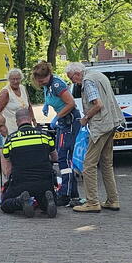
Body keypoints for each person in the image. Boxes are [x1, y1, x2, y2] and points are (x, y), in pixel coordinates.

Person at [65, 62, 123, 213]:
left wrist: (86, 118)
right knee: (106, 163)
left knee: (88, 164)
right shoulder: (98, 75)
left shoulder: (87, 81)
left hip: (101, 125)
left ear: (77, 74)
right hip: (112, 122)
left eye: (72, 79)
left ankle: (92, 202)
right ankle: (113, 199)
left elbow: (98, 104)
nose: (74, 83)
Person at [32, 61, 80, 207]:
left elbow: (71, 103)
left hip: (69, 121)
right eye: (38, 80)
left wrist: (57, 117)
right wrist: (47, 104)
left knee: (63, 157)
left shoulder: (57, 85)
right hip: (63, 123)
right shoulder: (48, 85)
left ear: (49, 75)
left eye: (42, 80)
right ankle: (72, 193)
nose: (40, 82)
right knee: (62, 156)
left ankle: (65, 193)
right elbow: (53, 98)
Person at [0, 108, 58, 218]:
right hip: (44, 181)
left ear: (17, 122)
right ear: (30, 119)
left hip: (21, 182)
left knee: (5, 204)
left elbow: (7, 163)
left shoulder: (11, 140)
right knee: (45, 200)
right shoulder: (44, 135)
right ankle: (47, 200)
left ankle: (20, 201)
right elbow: (55, 157)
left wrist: (9, 178)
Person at [0, 68, 36, 135]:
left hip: (25, 126)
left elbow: (29, 105)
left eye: (18, 79)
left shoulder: (23, 88)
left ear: (21, 79)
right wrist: (2, 127)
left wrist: (33, 120)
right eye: (13, 79)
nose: (15, 81)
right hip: (11, 128)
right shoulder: (6, 92)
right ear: (9, 80)